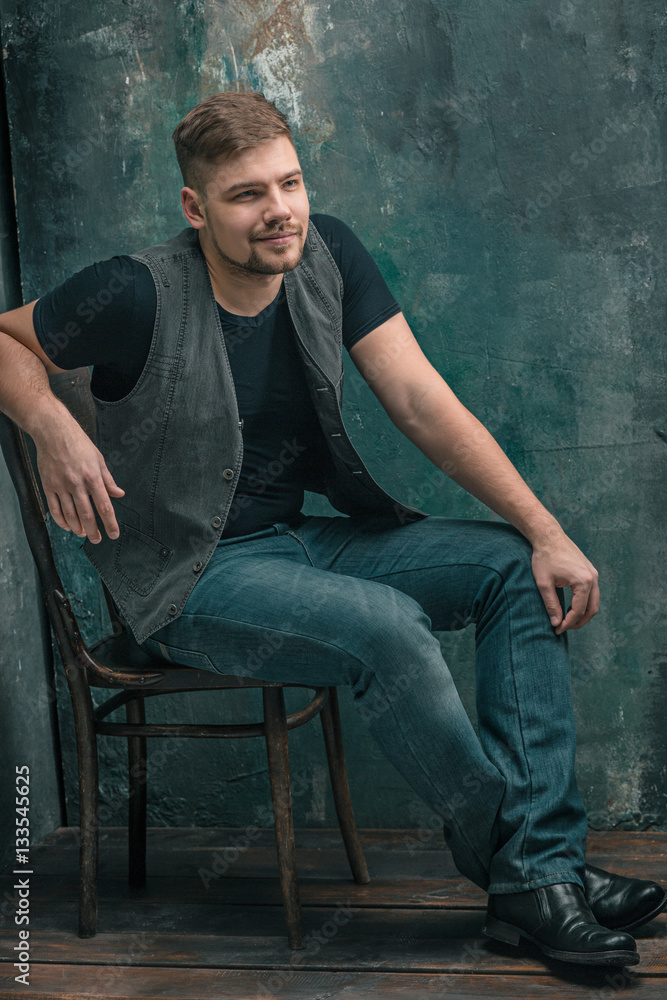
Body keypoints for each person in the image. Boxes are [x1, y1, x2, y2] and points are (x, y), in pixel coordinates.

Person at [0, 91, 663, 968]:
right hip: (191, 579)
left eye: (290, 183)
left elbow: (419, 400)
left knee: (513, 564)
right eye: (246, 195)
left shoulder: (329, 253)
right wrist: (50, 424)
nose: (279, 210)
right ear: (195, 208)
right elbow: (4, 339)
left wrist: (546, 531)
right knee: (386, 626)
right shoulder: (131, 290)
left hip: (302, 540)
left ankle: (537, 876)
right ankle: (538, 877)